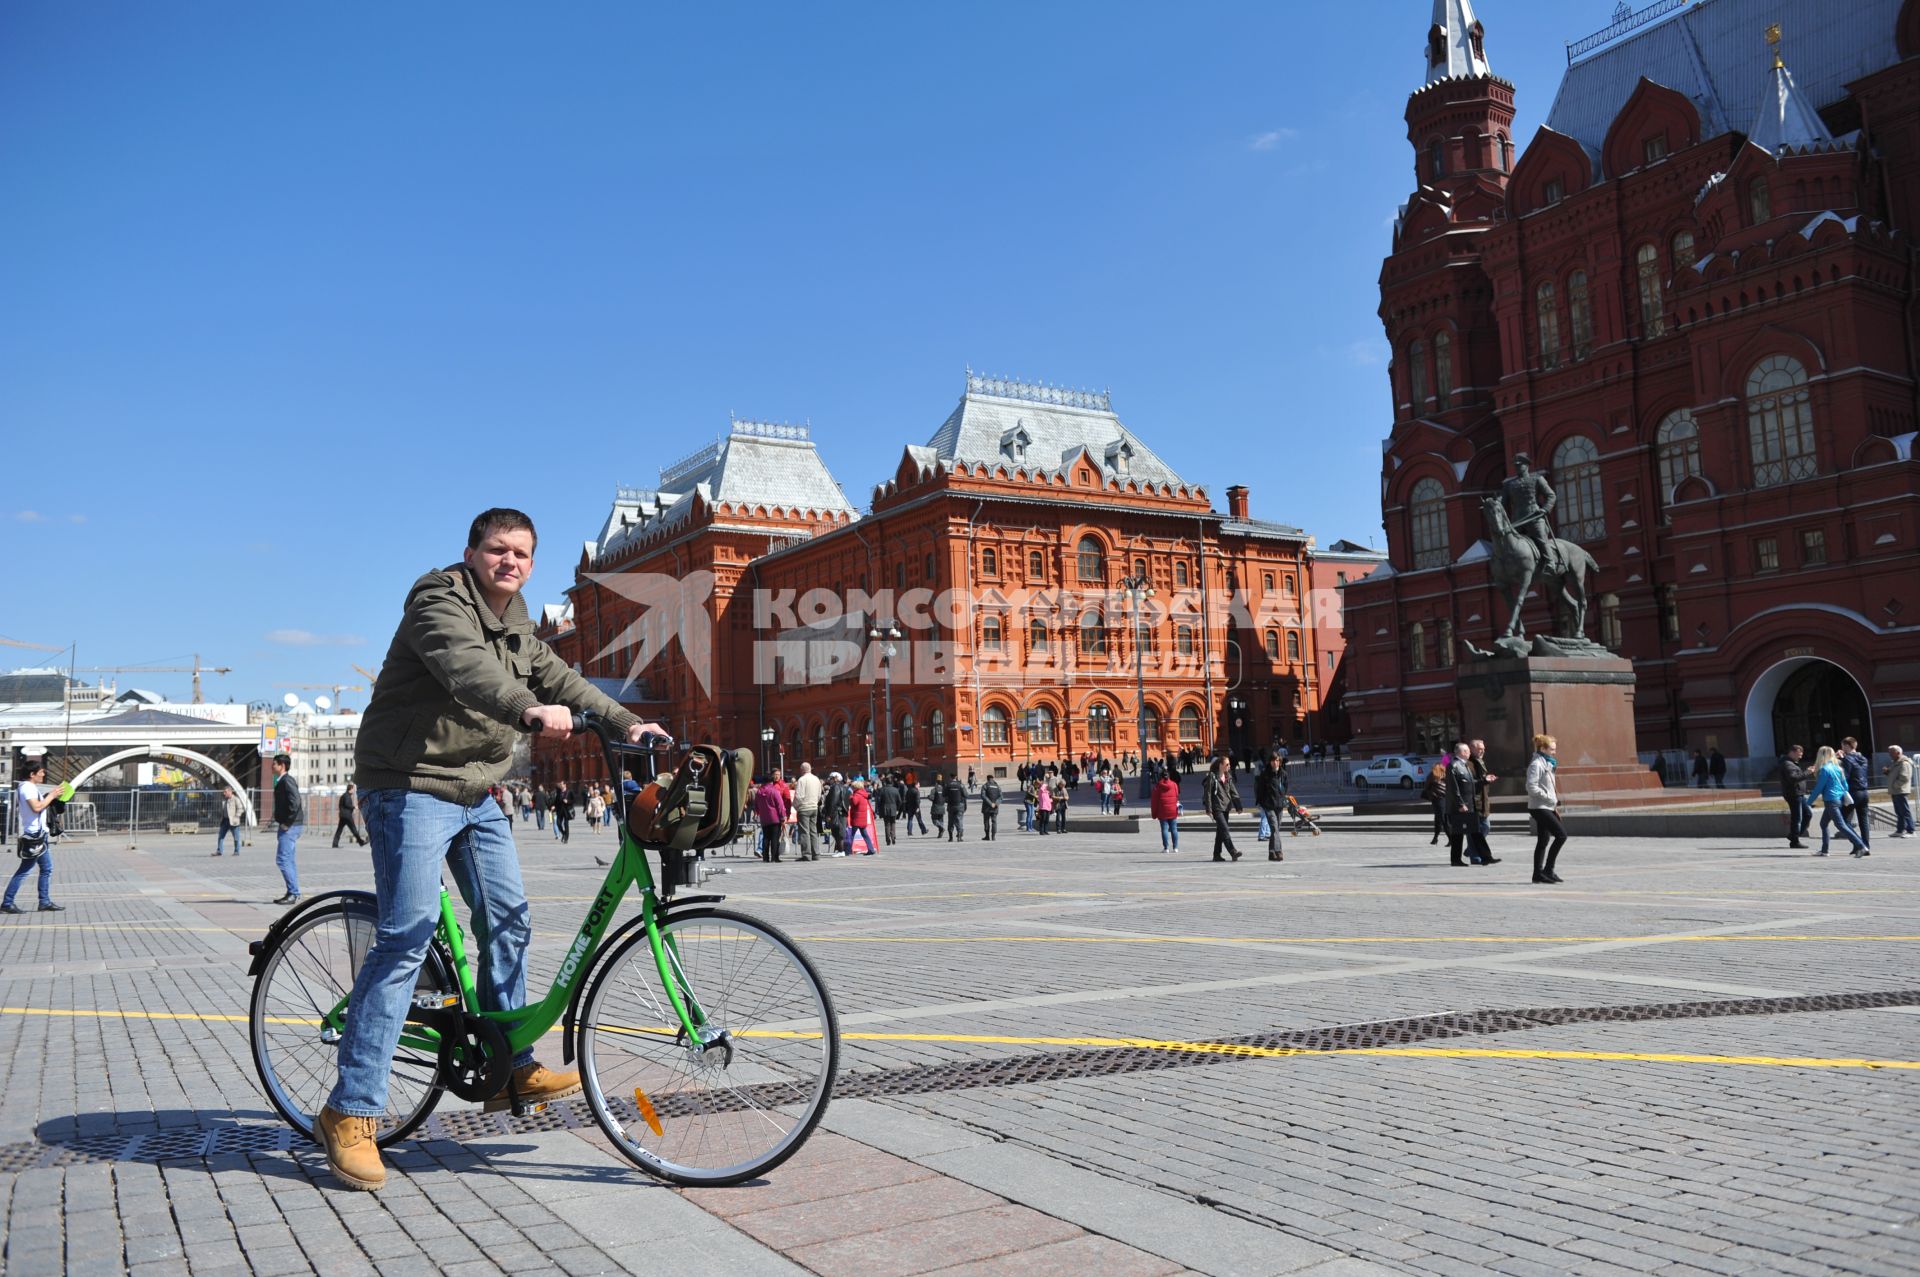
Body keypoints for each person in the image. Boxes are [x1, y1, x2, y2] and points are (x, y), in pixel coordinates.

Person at [314, 506, 665, 1192]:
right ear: (472, 552)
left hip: (474, 791)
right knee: (406, 935)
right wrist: (527, 711)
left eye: (522, 553)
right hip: (409, 784)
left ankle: (509, 1067)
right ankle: (350, 1110)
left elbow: (558, 676)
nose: (510, 561)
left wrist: (630, 722)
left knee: (508, 918)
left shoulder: (518, 621)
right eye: (498, 549)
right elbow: (468, 670)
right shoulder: (437, 599)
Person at [4, 757, 62, 913]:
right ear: (32, 774)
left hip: (39, 833)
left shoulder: (29, 787)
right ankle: (7, 903)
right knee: (25, 870)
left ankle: (44, 902)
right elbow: (36, 807)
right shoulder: (27, 788)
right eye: (41, 772)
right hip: (34, 834)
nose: (43, 774)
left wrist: (51, 797)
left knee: (46, 868)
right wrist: (51, 796)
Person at [1500, 452, 1560, 575]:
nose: (1517, 467)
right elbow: (1503, 501)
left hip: (1534, 517)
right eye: (1516, 465)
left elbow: (1551, 495)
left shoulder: (1537, 478)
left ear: (1527, 465)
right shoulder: (1509, 485)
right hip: (1517, 520)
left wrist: (1545, 509)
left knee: (1541, 538)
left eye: (1520, 465)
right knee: (1506, 541)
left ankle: (1550, 563)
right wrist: (1494, 503)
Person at [1811, 745, 1868, 857]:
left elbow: (1819, 788)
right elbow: (1845, 786)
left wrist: (1809, 802)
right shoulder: (1838, 768)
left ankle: (1861, 846)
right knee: (1823, 823)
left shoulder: (1824, 769)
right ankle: (1824, 850)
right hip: (1837, 799)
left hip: (1830, 800)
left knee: (1841, 825)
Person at [1525, 733, 1566, 884]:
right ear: (1543, 748)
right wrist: (1549, 798)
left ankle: (1538, 874)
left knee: (1543, 840)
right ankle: (1548, 870)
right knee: (1561, 835)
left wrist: (1552, 803)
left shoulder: (1548, 763)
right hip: (1539, 807)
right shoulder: (1536, 764)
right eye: (1552, 749)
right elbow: (1531, 787)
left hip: (1547, 806)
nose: (1554, 752)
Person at [271, 753, 304, 906]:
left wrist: (288, 822)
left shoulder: (287, 781)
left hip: (290, 826)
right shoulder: (282, 780)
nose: (272, 766)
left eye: (274, 764)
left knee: (283, 859)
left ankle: (293, 892)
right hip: (289, 825)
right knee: (288, 859)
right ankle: (293, 891)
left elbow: (296, 802)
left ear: (282, 766)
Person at [1444, 743, 1484, 867]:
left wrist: (1485, 780)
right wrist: (1460, 803)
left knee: (1460, 833)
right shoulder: (1453, 765)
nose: (1469, 753)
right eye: (1466, 751)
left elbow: (1470, 784)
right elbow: (1453, 788)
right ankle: (1456, 859)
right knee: (1458, 833)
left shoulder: (1463, 765)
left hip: (1467, 804)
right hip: (1458, 807)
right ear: (1460, 752)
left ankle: (1458, 858)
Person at [1468, 740, 1500, 866]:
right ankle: (1475, 857)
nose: (1483, 751)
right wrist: (1484, 780)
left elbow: (1480, 780)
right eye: (1480, 748)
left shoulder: (1480, 761)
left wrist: (1487, 779)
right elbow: (1469, 784)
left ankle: (1471, 850)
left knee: (1485, 827)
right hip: (1474, 801)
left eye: (1484, 748)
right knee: (1474, 830)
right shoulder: (1469, 763)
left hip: (1483, 799)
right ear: (1471, 749)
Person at [1203, 756, 1241, 861]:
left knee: (1220, 832)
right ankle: (1233, 851)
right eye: (1227, 764)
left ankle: (1216, 854)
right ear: (1220, 765)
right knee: (1225, 829)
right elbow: (1208, 793)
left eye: (1229, 764)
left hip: (1226, 807)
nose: (1229, 766)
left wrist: (1238, 806)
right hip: (1217, 808)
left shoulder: (1228, 776)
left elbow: (1233, 791)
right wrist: (1208, 809)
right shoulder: (1212, 776)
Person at [1841, 737, 1872, 849]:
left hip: (1853, 792)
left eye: (1843, 746)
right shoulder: (1863, 758)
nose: (1842, 748)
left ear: (1847, 746)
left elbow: (1845, 777)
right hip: (1864, 792)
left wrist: (1841, 760)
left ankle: (1858, 844)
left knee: (1843, 820)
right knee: (1863, 821)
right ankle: (1866, 845)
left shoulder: (1847, 759)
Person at [1778, 746, 1811, 850]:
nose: (1800, 757)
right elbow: (1793, 778)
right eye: (1799, 754)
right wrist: (1807, 773)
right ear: (1792, 752)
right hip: (1793, 794)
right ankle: (1794, 841)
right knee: (1797, 818)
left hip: (1799, 793)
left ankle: (1793, 835)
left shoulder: (1791, 763)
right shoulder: (1787, 763)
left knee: (1808, 814)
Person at [1255, 753, 1286, 861]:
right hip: (1268, 805)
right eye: (1273, 760)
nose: (1275, 762)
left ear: (1280, 761)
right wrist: (1262, 802)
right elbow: (1259, 789)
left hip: (1279, 805)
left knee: (1276, 829)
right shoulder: (1265, 774)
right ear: (1270, 762)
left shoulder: (1283, 774)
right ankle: (1278, 851)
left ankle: (1271, 853)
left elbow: (1285, 788)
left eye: (1277, 760)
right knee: (1274, 827)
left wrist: (1282, 798)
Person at [753, 774, 789, 862]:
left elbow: (756, 805)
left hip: (764, 819)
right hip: (775, 818)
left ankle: (765, 857)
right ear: (771, 781)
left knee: (766, 838)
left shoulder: (759, 792)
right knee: (775, 838)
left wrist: (758, 812)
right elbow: (780, 805)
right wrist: (783, 817)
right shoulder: (774, 791)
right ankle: (774, 857)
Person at [792, 762, 822, 859]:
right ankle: (816, 853)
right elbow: (819, 795)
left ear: (802, 770)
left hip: (804, 808)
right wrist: (814, 803)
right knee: (813, 831)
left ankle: (806, 854)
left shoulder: (802, 780)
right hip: (814, 807)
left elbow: (799, 796)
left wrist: (795, 806)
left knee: (804, 832)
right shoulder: (816, 779)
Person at [1150, 770, 1180, 852]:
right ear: (1169, 776)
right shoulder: (1174, 784)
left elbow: (1154, 801)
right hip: (1173, 810)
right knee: (1174, 829)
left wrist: (1154, 813)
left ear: (1161, 777)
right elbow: (1177, 796)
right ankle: (1175, 848)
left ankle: (1166, 848)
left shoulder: (1157, 786)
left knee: (1164, 829)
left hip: (1162, 811)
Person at [1888, 745, 1914, 838]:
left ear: (1898, 753)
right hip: (1895, 791)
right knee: (1899, 811)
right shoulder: (1895, 762)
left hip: (1901, 791)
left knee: (1905, 811)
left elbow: (1905, 777)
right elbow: (1894, 775)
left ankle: (1911, 830)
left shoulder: (1904, 763)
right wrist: (1887, 772)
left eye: (1891, 752)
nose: (1889, 754)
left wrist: (1895, 785)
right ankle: (1900, 829)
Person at [212, 785, 246, 857]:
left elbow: (241, 808)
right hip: (224, 821)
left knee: (236, 837)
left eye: (225, 792)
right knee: (220, 836)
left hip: (233, 822)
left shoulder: (236, 799)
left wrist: (236, 816)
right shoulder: (224, 800)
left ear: (230, 791)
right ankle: (219, 851)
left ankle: (236, 851)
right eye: (224, 792)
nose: (224, 793)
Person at [1421, 760, 1448, 847]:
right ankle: (1435, 838)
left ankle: (1450, 839)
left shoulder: (1432, 775)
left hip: (1436, 800)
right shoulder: (1445, 775)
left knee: (1442, 820)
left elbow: (1426, 787)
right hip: (1444, 799)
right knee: (1439, 819)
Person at [847, 780, 878, 854]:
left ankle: (848, 850)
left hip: (857, 818)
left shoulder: (857, 795)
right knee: (865, 835)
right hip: (863, 818)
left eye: (853, 787)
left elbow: (854, 802)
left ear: (855, 787)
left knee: (851, 835)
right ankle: (871, 849)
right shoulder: (864, 794)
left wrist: (850, 796)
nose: (852, 788)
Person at [332, 782, 368, 848]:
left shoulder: (344, 795)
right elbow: (347, 804)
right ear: (350, 789)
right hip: (347, 816)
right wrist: (354, 807)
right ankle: (361, 842)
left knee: (339, 830)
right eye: (353, 789)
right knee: (353, 829)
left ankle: (335, 844)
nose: (354, 791)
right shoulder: (347, 796)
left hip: (343, 816)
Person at [877, 772, 902, 846]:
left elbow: (879, 800)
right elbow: (899, 801)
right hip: (893, 808)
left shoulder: (882, 790)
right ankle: (893, 836)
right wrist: (897, 808)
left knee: (887, 824)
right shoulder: (895, 790)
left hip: (885, 808)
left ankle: (888, 839)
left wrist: (880, 809)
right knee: (893, 823)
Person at [944, 772, 967, 841]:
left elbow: (943, 794)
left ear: (950, 777)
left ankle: (950, 837)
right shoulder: (960, 785)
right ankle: (959, 837)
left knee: (950, 821)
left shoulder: (948, 785)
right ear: (956, 777)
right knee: (959, 820)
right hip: (959, 805)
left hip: (951, 806)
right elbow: (966, 795)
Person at [980, 775, 1000, 840]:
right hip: (995, 807)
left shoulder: (985, 786)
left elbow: (983, 796)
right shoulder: (997, 786)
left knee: (986, 821)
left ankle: (987, 836)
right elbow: (1001, 797)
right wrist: (996, 803)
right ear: (992, 778)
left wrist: (990, 804)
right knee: (994, 821)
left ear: (987, 779)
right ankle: (993, 836)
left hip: (987, 807)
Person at [928, 772, 947, 836]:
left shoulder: (934, 789)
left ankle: (941, 828)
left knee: (934, 820)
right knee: (941, 820)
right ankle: (940, 832)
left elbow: (931, 797)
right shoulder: (944, 789)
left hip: (935, 807)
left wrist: (928, 797)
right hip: (942, 807)